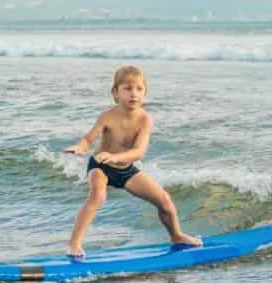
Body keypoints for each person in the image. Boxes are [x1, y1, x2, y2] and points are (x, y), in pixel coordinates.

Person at [63, 65, 202, 256]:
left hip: (125, 168)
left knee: (164, 200)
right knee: (98, 196)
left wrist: (116, 157)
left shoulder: (145, 119)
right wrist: (80, 148)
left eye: (139, 89)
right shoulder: (107, 116)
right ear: (115, 93)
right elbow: (89, 139)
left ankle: (176, 235)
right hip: (100, 166)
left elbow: (138, 152)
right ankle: (74, 243)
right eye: (127, 89)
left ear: (145, 94)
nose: (133, 94)